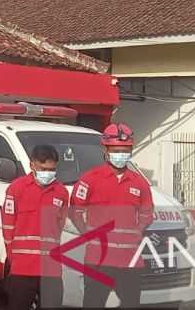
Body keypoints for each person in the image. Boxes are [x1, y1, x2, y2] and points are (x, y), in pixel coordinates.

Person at [70, 123, 153, 309]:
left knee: (131, 305)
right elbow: (75, 211)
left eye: (126, 150)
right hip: (98, 259)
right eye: (116, 150)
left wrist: (135, 233)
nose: (121, 154)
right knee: (93, 304)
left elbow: (147, 214)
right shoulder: (89, 180)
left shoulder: (140, 183)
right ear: (105, 149)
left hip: (130, 260)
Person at [3, 145, 68, 310]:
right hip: (22, 269)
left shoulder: (61, 192)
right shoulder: (17, 189)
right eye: (43, 168)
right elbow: (8, 227)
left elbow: (58, 227)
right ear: (32, 165)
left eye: (52, 169)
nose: (48, 173)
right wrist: (14, 259)